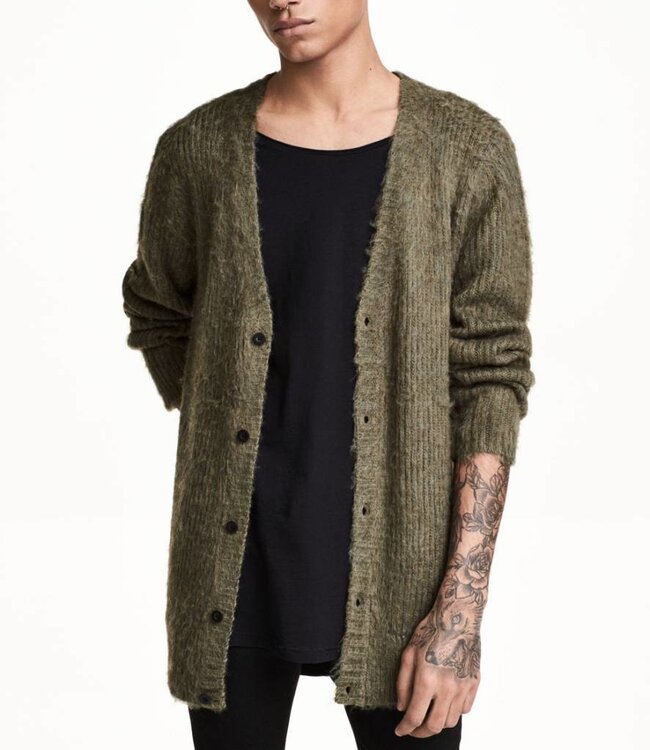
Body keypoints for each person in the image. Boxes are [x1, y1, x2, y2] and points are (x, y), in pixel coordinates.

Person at [121, 1, 535, 747]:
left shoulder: (466, 149)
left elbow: (490, 376)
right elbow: (157, 305)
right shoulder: (198, 148)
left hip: (405, 575)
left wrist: (459, 614)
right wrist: (222, 408)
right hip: (233, 567)